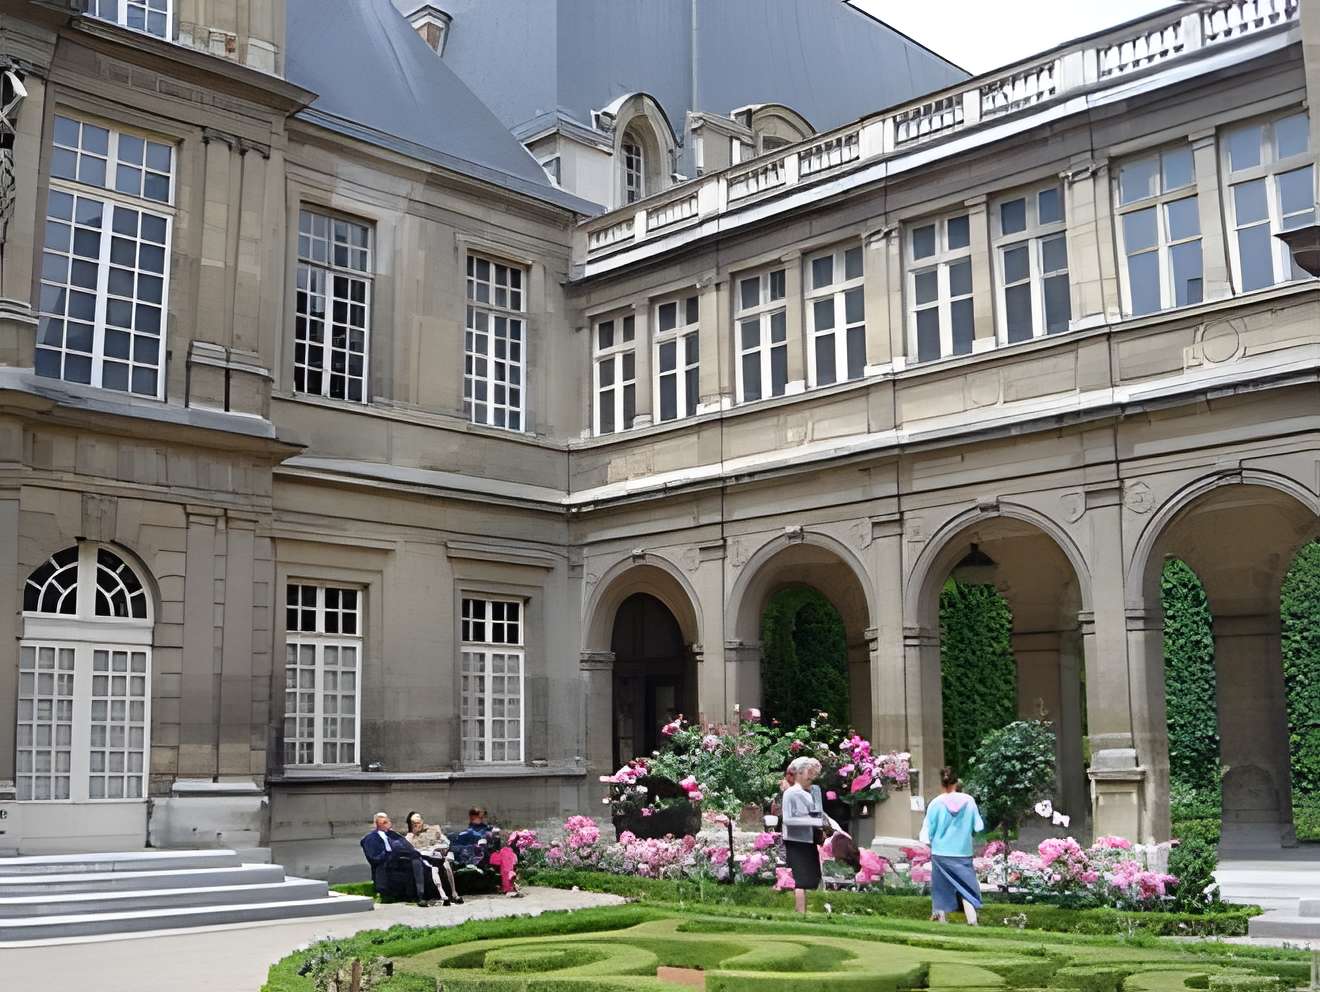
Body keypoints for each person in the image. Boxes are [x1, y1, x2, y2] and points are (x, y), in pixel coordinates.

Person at [919, 766, 984, 925]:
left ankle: (941, 921)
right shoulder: (969, 801)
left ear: (942, 784)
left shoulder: (935, 803)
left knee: (941, 889)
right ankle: (972, 921)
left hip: (941, 853)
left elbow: (927, 831)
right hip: (963, 852)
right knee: (967, 889)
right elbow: (978, 827)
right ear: (957, 782)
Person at [780, 755, 828, 913]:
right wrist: (814, 822)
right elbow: (788, 819)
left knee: (812, 877)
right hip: (796, 840)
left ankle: (806, 910)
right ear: (799, 773)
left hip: (809, 839)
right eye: (808, 771)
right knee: (801, 878)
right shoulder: (791, 793)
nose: (811, 775)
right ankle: (800, 911)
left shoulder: (812, 792)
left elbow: (818, 814)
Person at [359, 812, 436, 907]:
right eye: (384, 822)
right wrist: (390, 852)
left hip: (402, 860)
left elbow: (408, 847)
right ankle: (420, 896)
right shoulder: (370, 838)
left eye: (388, 821)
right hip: (386, 865)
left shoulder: (393, 834)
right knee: (415, 862)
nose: (388, 823)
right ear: (378, 824)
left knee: (419, 860)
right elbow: (374, 858)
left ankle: (430, 894)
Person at [404, 811, 461, 905]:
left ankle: (454, 894)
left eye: (418, 822)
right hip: (425, 858)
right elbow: (412, 850)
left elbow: (446, 841)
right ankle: (442, 895)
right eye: (414, 823)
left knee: (446, 865)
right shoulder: (409, 837)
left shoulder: (434, 829)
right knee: (433, 867)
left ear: (422, 821)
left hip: (439, 854)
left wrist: (443, 847)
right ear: (410, 824)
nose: (416, 825)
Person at [486, 830, 523, 898]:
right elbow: (515, 861)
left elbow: (494, 861)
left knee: (505, 878)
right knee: (510, 878)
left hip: (504, 868)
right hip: (510, 868)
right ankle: (510, 888)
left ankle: (506, 889)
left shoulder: (500, 851)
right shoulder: (512, 852)